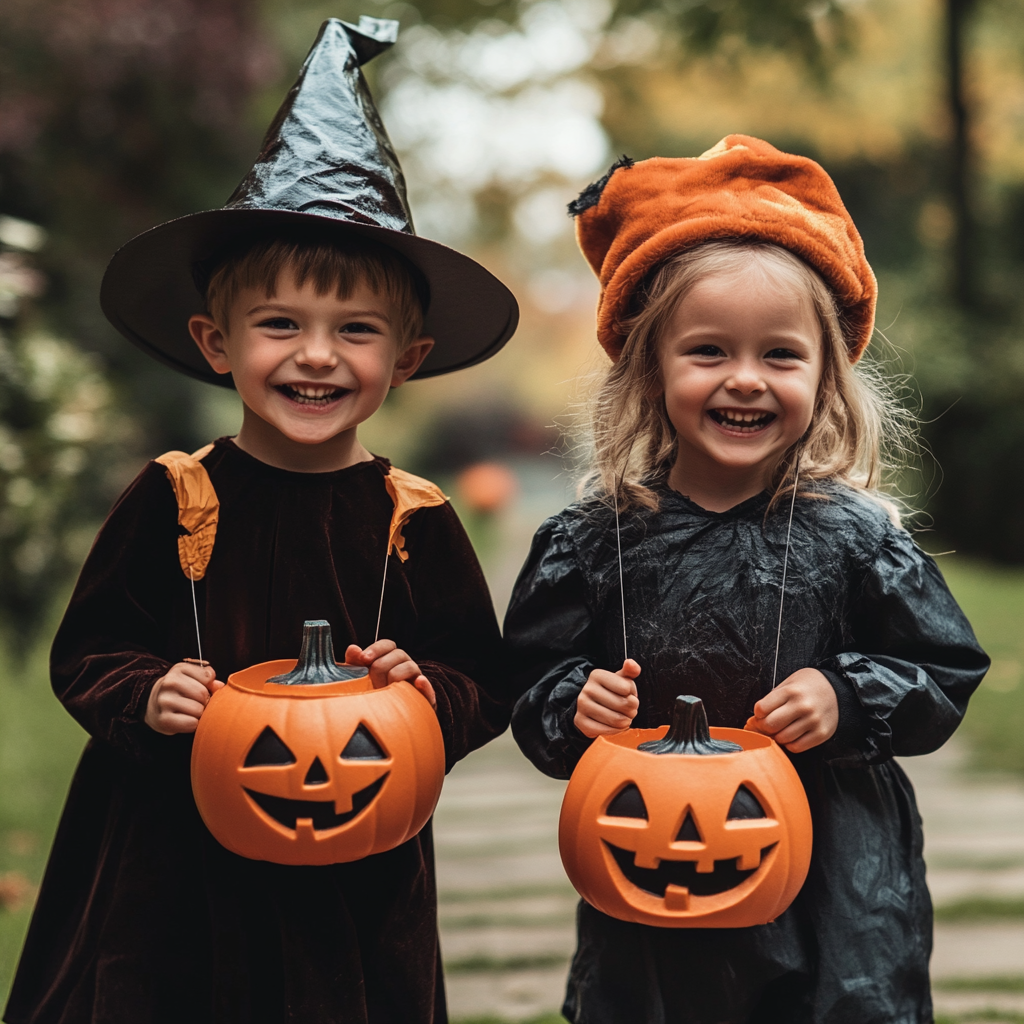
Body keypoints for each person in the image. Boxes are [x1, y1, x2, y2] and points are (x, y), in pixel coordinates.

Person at [4, 18, 518, 1024]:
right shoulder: (173, 495)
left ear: (405, 357)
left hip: (353, 866)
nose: (316, 356)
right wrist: (147, 694)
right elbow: (89, 648)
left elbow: (480, 676)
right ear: (215, 343)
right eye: (280, 324)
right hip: (172, 863)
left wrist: (431, 695)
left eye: (354, 330)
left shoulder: (412, 518)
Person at [505, 136, 989, 1024]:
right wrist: (573, 702)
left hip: (836, 866)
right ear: (650, 367)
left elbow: (945, 670)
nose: (745, 379)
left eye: (780, 355)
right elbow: (527, 681)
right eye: (708, 351)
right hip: (657, 854)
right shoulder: (593, 542)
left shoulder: (855, 538)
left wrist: (849, 697)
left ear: (825, 375)